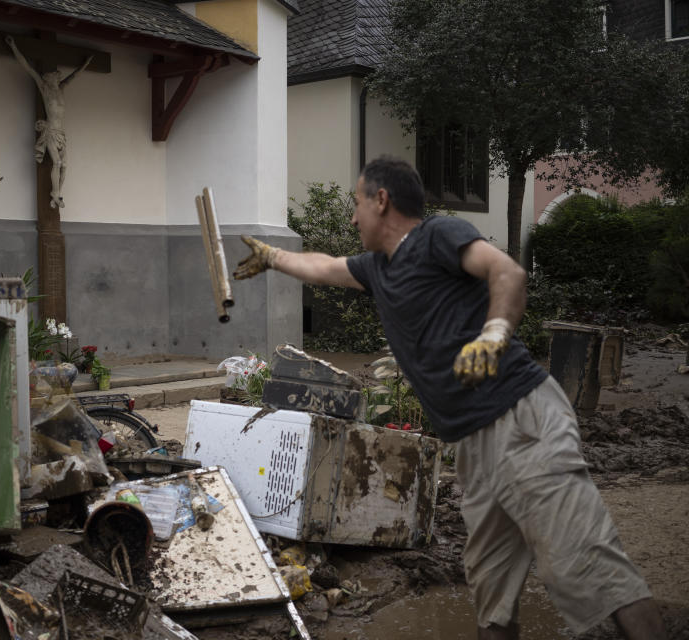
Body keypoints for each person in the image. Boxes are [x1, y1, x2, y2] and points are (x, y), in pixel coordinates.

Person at [233, 156, 667, 640]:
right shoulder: (379, 269)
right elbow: (323, 267)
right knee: (490, 591)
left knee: (585, 564)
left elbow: (507, 273)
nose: (353, 217)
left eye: (357, 203)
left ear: (382, 201)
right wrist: (272, 256)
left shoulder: (437, 236)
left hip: (522, 419)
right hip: (474, 445)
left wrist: (494, 335)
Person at [5, 35, 92, 209]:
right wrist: (14, 47)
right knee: (57, 163)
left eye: (58, 77)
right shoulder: (44, 89)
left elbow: (74, 76)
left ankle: (57, 194)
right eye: (54, 77)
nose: (57, 79)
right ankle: (55, 193)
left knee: (65, 166)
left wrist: (85, 65)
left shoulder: (61, 89)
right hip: (51, 132)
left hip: (61, 133)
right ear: (48, 79)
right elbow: (28, 68)